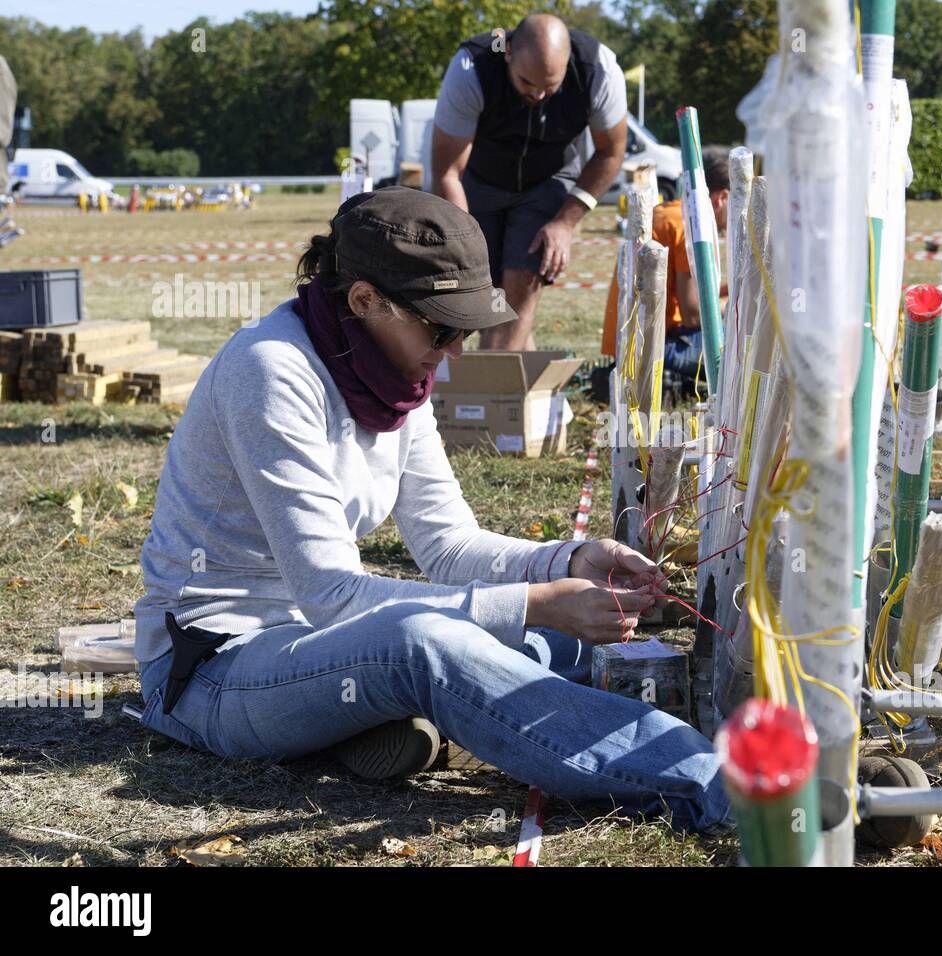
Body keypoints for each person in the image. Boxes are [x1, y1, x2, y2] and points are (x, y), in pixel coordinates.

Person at [133, 187, 731, 833]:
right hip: (216, 671)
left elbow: (449, 545)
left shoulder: (391, 373)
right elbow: (330, 595)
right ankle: (720, 787)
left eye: (464, 329)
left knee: (536, 638)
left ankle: (386, 718)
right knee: (427, 645)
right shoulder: (271, 372)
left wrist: (569, 559)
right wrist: (531, 602)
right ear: (363, 300)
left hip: (316, 649)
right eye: (441, 327)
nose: (454, 352)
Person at [432, 13, 627, 351]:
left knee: (520, 282)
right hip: (479, 179)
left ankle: (494, 394)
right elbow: (447, 171)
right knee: (476, 290)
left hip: (549, 179)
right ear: (508, 52)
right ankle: (523, 391)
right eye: (527, 83)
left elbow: (611, 152)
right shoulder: (472, 67)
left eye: (551, 86)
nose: (538, 95)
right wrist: (463, 245)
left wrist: (565, 223)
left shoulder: (599, 69)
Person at [600, 146, 730, 380]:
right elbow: (693, 314)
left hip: (628, 345)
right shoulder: (690, 226)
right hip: (655, 348)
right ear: (722, 198)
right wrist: (731, 306)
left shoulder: (669, 214)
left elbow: (680, 295)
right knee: (741, 342)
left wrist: (728, 290)